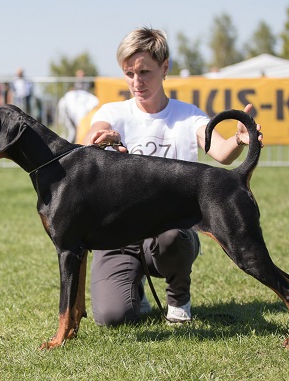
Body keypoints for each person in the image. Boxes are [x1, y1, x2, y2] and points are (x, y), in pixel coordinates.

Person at [83, 27, 263, 327]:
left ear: (165, 67)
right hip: (117, 235)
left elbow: (220, 153)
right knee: (113, 318)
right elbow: (93, 134)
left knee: (173, 235)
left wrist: (239, 140)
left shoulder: (188, 115)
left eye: (145, 72)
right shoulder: (113, 111)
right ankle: (133, 290)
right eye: (129, 73)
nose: (136, 82)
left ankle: (178, 298)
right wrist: (102, 136)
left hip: (169, 231)